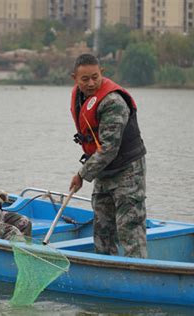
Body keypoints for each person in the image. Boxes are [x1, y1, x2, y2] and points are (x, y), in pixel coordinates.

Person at [68, 53, 147, 258]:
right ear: (74, 78)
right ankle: (106, 271)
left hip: (127, 170)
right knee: (102, 227)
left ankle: (139, 273)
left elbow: (109, 148)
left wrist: (82, 174)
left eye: (96, 77)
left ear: (102, 73)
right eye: (85, 79)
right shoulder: (79, 96)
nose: (91, 83)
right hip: (104, 170)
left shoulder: (113, 102)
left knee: (129, 225)